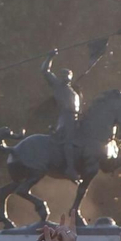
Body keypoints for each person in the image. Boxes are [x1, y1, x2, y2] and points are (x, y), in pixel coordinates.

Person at [43, 50, 82, 180]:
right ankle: (70, 168)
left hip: (76, 118)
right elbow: (45, 71)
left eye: (68, 74)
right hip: (65, 118)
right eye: (63, 74)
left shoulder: (73, 92)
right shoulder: (57, 86)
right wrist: (50, 56)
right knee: (69, 140)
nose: (66, 76)